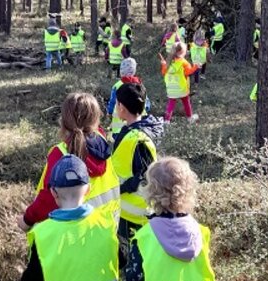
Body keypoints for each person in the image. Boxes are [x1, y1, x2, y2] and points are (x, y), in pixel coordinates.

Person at [20, 91, 119, 230]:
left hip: (71, 236)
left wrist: (27, 219)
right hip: (106, 230)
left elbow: (50, 198)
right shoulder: (102, 141)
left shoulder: (60, 153)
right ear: (96, 119)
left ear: (63, 121)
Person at [110, 82, 164, 260]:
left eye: (117, 103)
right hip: (129, 210)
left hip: (134, 213)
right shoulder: (140, 130)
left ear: (122, 108)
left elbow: (144, 175)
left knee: (132, 257)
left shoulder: (137, 139)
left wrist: (121, 188)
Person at [106, 57, 150, 138]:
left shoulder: (117, 86)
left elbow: (112, 103)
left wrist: (109, 112)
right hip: (138, 124)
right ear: (134, 71)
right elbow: (147, 104)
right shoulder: (140, 85)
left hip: (119, 127)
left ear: (121, 71)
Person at [160, 42, 198, 123]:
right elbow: (189, 72)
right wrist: (196, 67)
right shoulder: (184, 63)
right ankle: (190, 118)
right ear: (183, 52)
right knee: (186, 102)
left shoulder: (168, 62)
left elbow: (163, 73)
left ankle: (167, 120)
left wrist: (163, 65)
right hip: (182, 88)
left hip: (171, 88)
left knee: (170, 104)